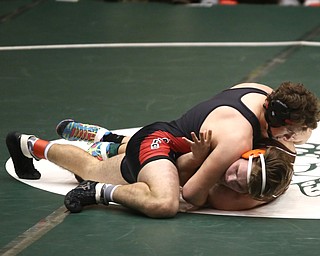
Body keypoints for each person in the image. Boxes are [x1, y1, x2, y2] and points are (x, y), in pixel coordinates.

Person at [6, 81, 320, 218]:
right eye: (289, 131)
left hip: (168, 136)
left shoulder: (262, 93)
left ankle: (33, 144)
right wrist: (202, 163)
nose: (291, 137)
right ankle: (97, 189)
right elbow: (194, 195)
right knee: (165, 201)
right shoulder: (238, 139)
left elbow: (298, 135)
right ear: (277, 120)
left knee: (111, 161)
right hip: (163, 146)